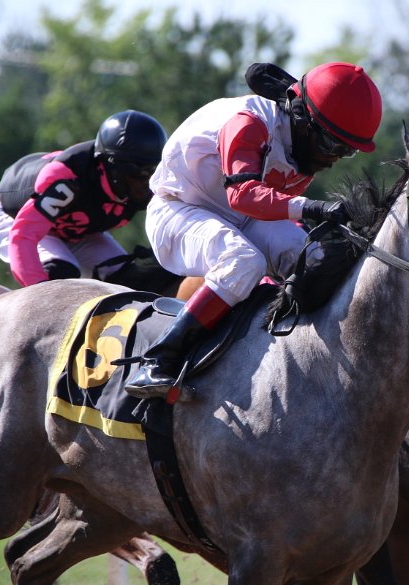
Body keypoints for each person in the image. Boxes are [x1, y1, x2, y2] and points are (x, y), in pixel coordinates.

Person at [124, 61, 382, 400]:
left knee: (312, 257)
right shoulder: (249, 122)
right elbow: (242, 195)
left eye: (346, 151)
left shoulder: (298, 139)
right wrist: (315, 208)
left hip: (238, 217)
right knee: (244, 261)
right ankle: (159, 359)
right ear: (303, 120)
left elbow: (264, 207)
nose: (335, 158)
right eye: (334, 145)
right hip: (178, 210)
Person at [0, 109, 171, 288]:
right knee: (60, 274)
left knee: (129, 279)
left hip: (73, 230)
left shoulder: (146, 183)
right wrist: (40, 292)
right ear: (112, 165)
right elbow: (23, 235)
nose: (148, 182)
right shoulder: (68, 178)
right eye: (140, 173)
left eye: (154, 171)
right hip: (14, 219)